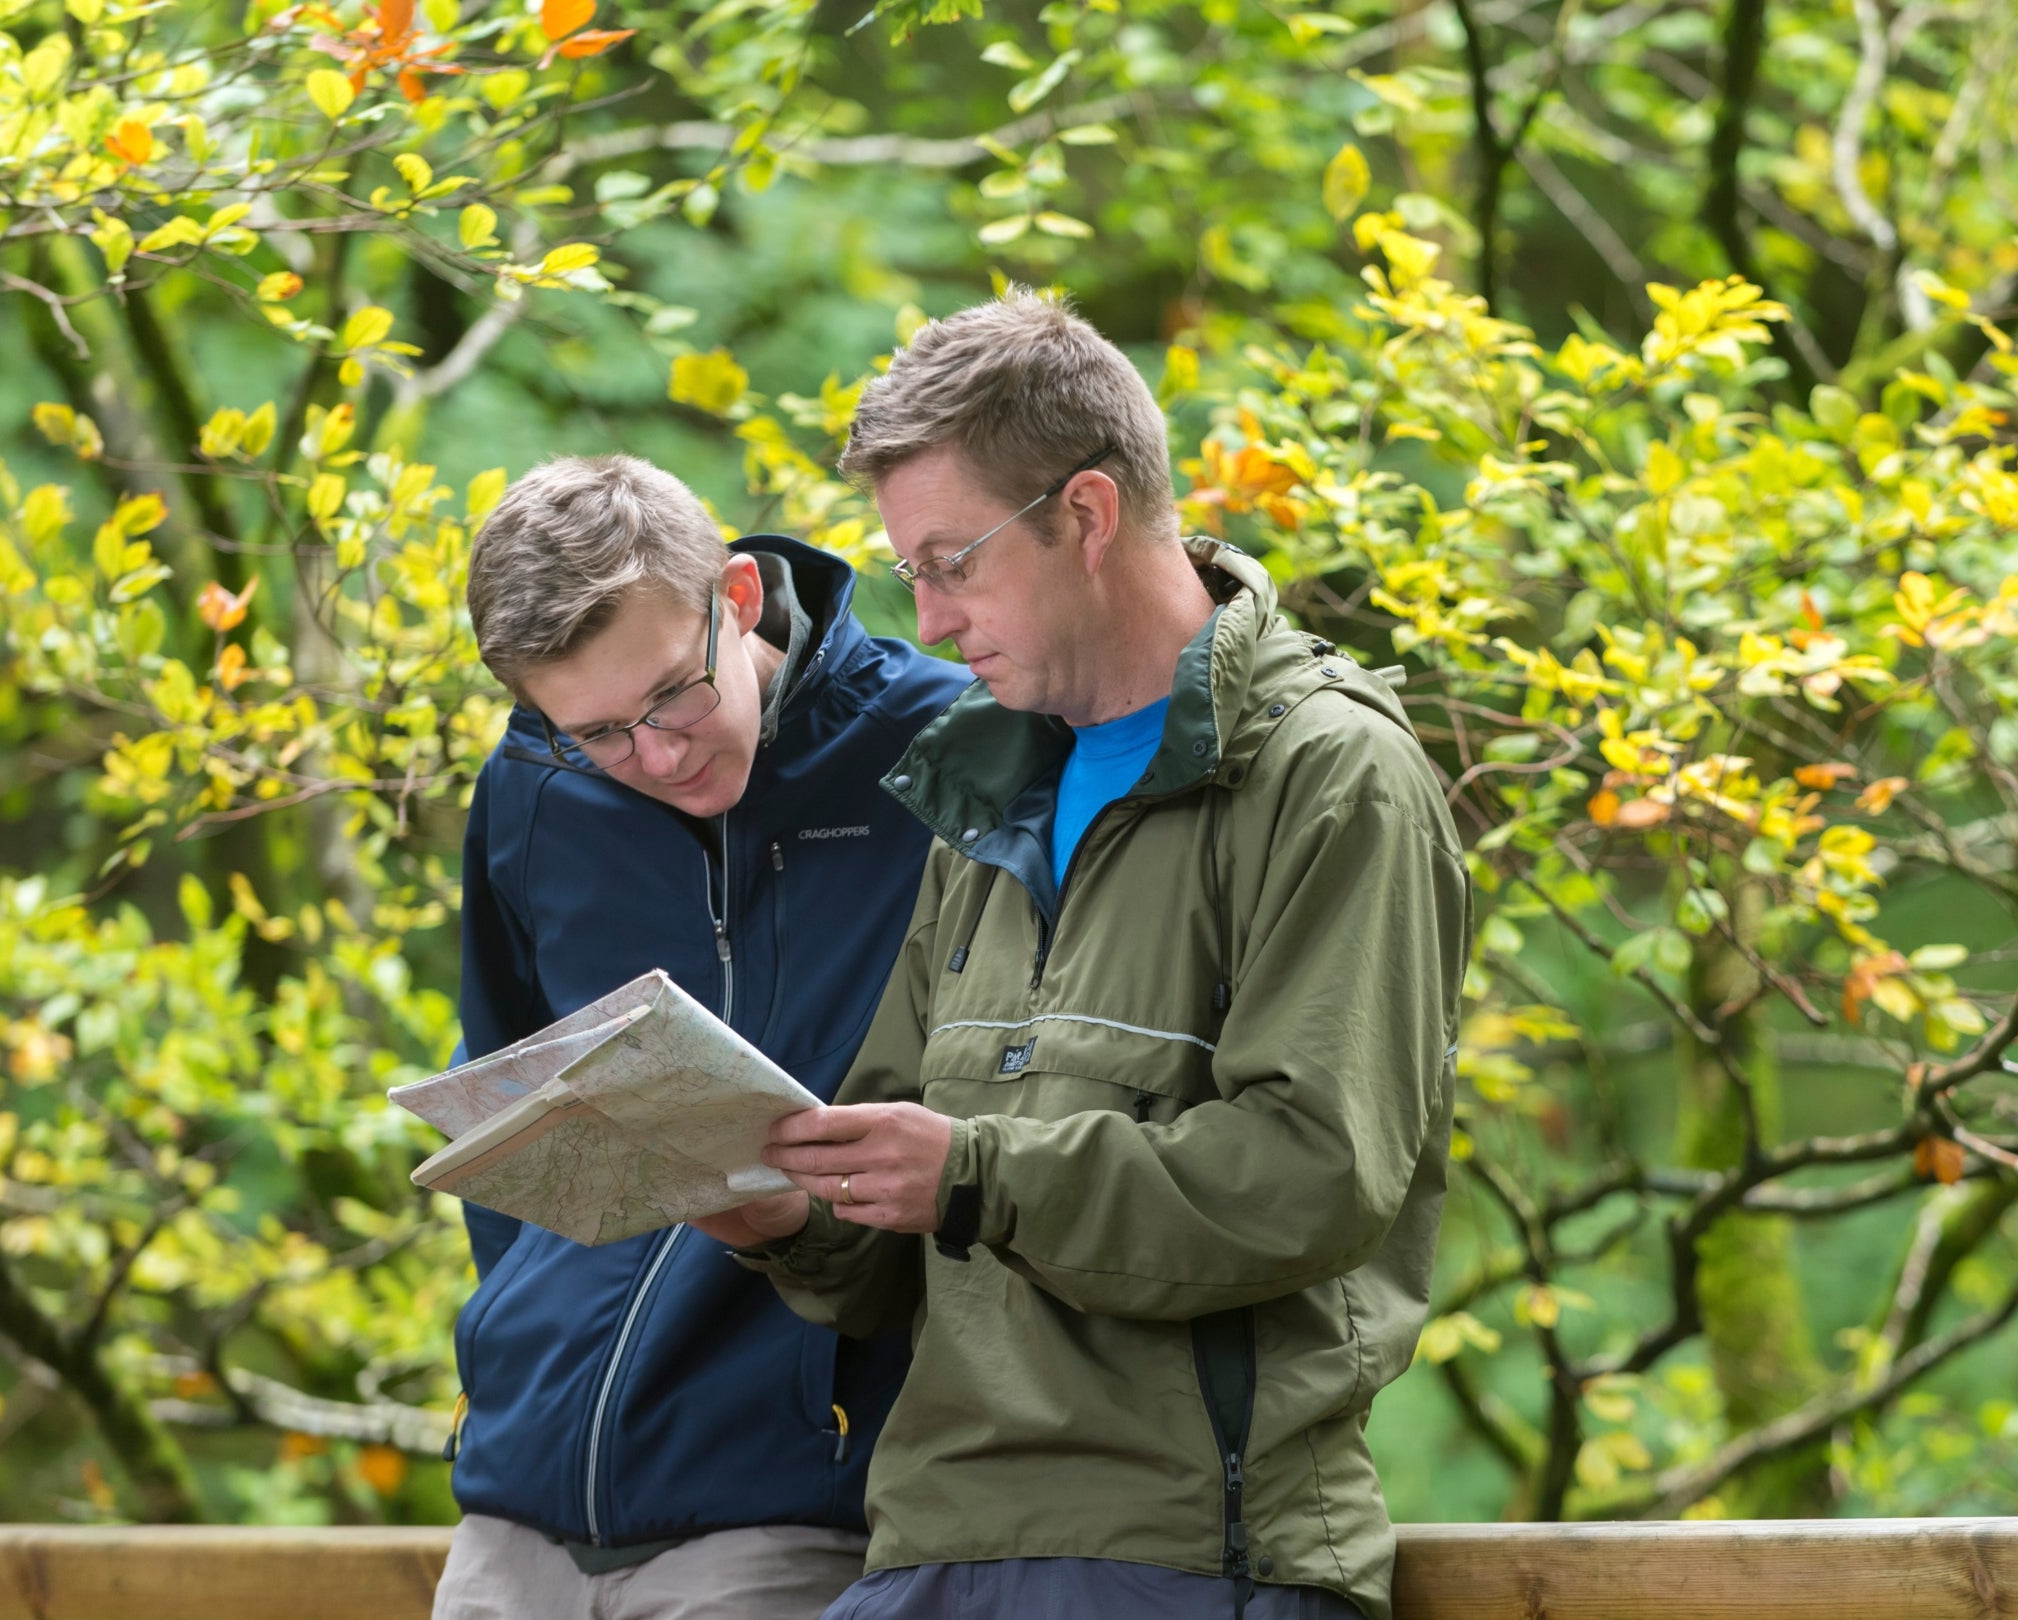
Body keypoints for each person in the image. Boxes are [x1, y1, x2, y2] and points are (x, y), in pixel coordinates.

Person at [691, 290, 1468, 1620]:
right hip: (927, 1548)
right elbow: (901, 1214)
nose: (930, 624)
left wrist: (978, 1174)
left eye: (952, 565)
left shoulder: (1332, 774)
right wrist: (785, 1218)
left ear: (1089, 517)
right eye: (910, 577)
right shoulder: (982, 801)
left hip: (1185, 1561)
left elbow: (1313, 1176)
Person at [435, 455, 972, 1620]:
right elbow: (512, 1108)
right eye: (600, 733)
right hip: (515, 1504)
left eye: (672, 696)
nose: (659, 756)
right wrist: (515, 1353)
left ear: (734, 599)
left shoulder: (950, 754)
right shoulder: (534, 789)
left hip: (787, 1493)